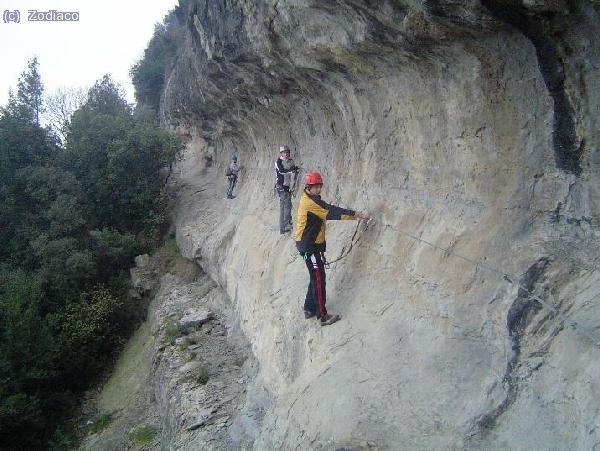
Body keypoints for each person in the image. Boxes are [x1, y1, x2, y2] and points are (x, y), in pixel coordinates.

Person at [294, 171, 370, 325]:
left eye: (320, 186)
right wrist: (358, 215)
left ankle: (309, 308)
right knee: (319, 278)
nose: (319, 190)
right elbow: (332, 212)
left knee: (315, 276)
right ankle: (322, 316)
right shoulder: (310, 202)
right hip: (309, 247)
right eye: (316, 187)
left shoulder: (309, 198)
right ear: (309, 186)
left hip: (309, 245)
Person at [275, 145, 299, 234]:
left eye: (288, 152)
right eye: (284, 152)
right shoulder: (278, 161)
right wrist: (291, 171)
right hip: (281, 186)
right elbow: (281, 171)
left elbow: (293, 169)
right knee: (287, 205)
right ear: (281, 153)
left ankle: (283, 228)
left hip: (287, 186)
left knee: (283, 207)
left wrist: (295, 169)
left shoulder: (290, 161)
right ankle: (287, 225)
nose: (286, 154)